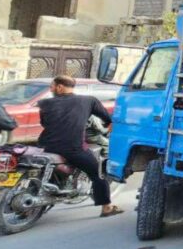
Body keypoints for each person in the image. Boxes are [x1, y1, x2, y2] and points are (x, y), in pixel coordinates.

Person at [37, 76, 123, 217]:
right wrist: (108, 127)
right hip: (72, 148)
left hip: (45, 145)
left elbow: (45, 124)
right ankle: (107, 207)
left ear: (59, 87)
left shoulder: (45, 103)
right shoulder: (88, 101)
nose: (50, 89)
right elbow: (108, 118)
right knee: (97, 175)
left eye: (51, 86)